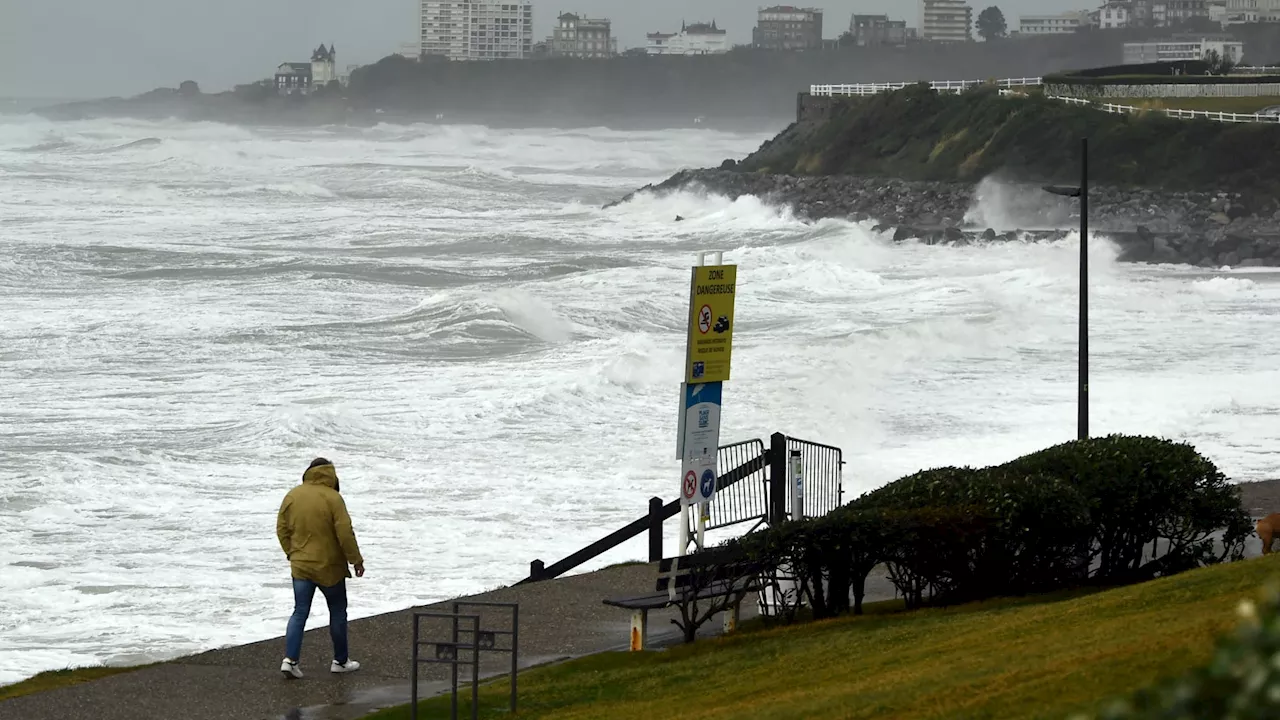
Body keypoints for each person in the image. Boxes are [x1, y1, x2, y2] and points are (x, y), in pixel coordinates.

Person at [276, 457, 365, 679]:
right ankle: (340, 661)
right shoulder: (333, 498)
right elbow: (345, 532)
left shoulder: (293, 495)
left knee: (299, 611)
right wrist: (356, 560)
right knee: (337, 611)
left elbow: (281, 529)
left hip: (301, 565)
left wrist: (292, 552)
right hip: (329, 566)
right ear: (330, 475)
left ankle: (291, 660)